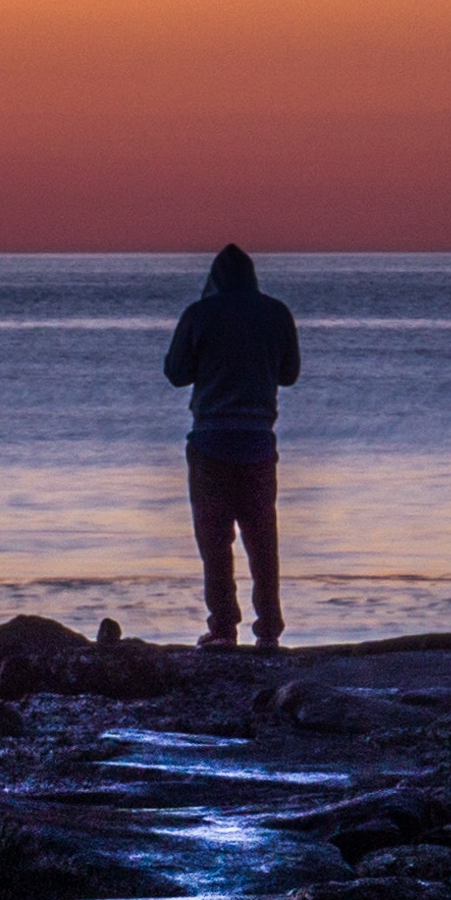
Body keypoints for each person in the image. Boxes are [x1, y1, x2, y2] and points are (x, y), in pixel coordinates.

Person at [161, 244, 301, 647]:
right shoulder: (276, 313)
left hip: (210, 440)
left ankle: (223, 627)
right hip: (258, 440)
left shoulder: (199, 314)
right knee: (262, 539)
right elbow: (290, 375)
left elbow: (175, 373)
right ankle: (269, 629)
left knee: (214, 540)